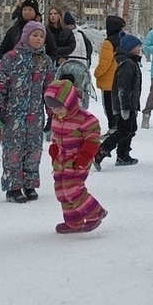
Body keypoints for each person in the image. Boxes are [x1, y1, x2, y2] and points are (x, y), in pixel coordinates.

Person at [0, 20, 56, 202]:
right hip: (13, 114)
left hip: (35, 115)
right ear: (26, 36)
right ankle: (13, 187)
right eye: (34, 35)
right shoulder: (12, 58)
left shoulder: (45, 61)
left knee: (34, 150)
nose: (38, 39)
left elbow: (49, 89)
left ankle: (30, 183)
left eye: (41, 36)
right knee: (14, 150)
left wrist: (51, 113)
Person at [45, 79, 107, 233]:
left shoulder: (86, 120)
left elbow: (92, 141)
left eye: (60, 108)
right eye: (53, 108)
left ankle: (95, 212)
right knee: (61, 191)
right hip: (60, 162)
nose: (56, 112)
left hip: (77, 161)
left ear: (70, 103)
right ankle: (74, 221)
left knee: (73, 190)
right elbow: (55, 137)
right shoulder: (56, 118)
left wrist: (84, 158)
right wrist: (53, 149)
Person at [98, 33, 142, 167]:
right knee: (123, 130)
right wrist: (124, 108)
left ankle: (123, 155)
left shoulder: (131, 62)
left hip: (130, 105)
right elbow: (123, 88)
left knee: (130, 128)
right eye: (137, 46)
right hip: (125, 105)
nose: (139, 48)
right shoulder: (127, 64)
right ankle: (101, 151)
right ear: (129, 48)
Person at [93, 14, 127, 133]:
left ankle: (113, 128)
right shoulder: (124, 40)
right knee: (120, 105)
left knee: (109, 106)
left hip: (109, 81)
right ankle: (120, 127)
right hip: (122, 78)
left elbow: (105, 63)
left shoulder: (109, 42)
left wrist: (96, 73)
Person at [56, 11, 94, 107]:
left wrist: (84, 66)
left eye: (71, 25)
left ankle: (80, 105)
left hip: (79, 66)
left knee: (79, 89)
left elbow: (84, 51)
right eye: (67, 25)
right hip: (65, 67)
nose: (70, 27)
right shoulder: (62, 34)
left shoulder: (79, 35)